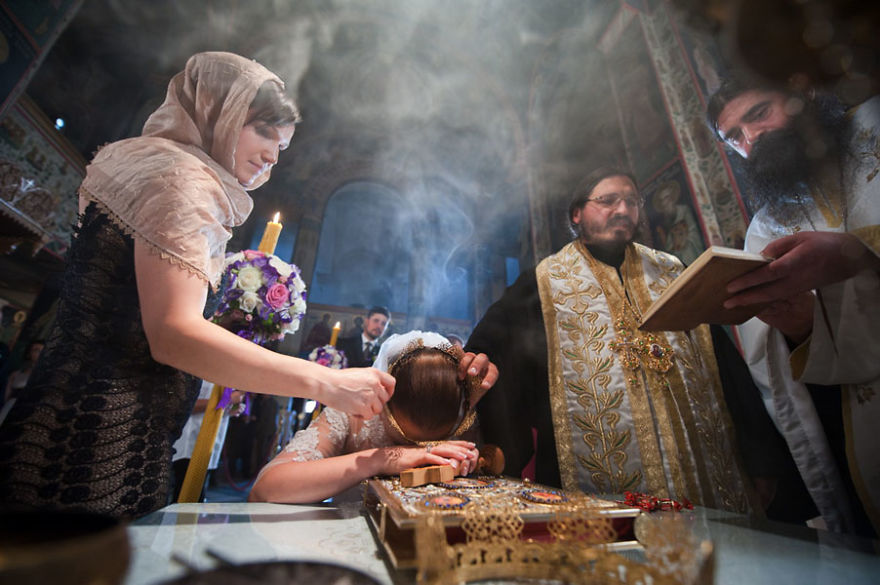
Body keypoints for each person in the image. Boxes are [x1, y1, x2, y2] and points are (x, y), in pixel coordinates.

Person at [0, 52, 397, 520]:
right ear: (218, 111)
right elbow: (172, 333)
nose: (272, 155)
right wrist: (327, 382)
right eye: (263, 131)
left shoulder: (153, 165)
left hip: (72, 427)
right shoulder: (182, 181)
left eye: (282, 146)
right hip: (95, 449)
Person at [467, 167, 793, 515]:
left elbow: (724, 367)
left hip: (702, 476)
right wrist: (470, 364)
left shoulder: (673, 272)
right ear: (577, 214)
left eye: (632, 201)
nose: (622, 210)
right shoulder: (544, 282)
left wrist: (760, 458)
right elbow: (487, 352)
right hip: (589, 480)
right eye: (608, 200)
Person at [707, 76, 880, 536]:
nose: (752, 139)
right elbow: (786, 382)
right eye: (734, 137)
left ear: (802, 93)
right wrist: (801, 328)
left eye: (759, 113)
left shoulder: (875, 126)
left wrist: (858, 253)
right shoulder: (766, 228)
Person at [249, 331, 482, 504]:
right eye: (402, 435)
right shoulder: (353, 415)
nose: (417, 448)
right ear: (383, 402)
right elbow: (265, 489)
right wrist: (379, 460)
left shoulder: (465, 418)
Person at [171, 380, 245, 502]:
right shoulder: (198, 373)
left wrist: (230, 409)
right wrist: (227, 399)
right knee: (185, 499)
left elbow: (221, 405)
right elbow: (183, 405)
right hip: (189, 446)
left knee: (198, 498)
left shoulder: (226, 377)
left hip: (212, 445)